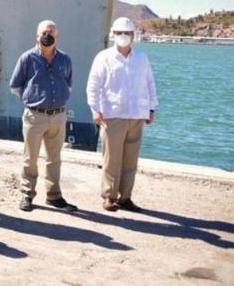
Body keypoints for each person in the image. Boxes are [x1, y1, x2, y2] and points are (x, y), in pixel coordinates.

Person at [87, 17, 159, 212]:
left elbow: (150, 83)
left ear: (133, 36)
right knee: (111, 158)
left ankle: (125, 197)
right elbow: (93, 86)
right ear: (113, 34)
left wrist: (151, 108)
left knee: (130, 160)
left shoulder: (141, 58)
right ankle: (109, 196)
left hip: (137, 115)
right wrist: (95, 109)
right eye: (119, 33)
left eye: (127, 33)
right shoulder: (104, 57)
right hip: (113, 115)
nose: (123, 36)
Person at [9, 20, 78, 212]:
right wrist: (31, 100)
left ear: (57, 36)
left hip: (58, 116)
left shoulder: (65, 59)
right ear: (37, 36)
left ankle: (53, 196)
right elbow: (15, 86)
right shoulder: (27, 58)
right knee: (30, 158)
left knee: (54, 158)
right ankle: (26, 194)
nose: (48, 35)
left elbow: (69, 84)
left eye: (52, 32)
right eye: (44, 33)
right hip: (35, 116)